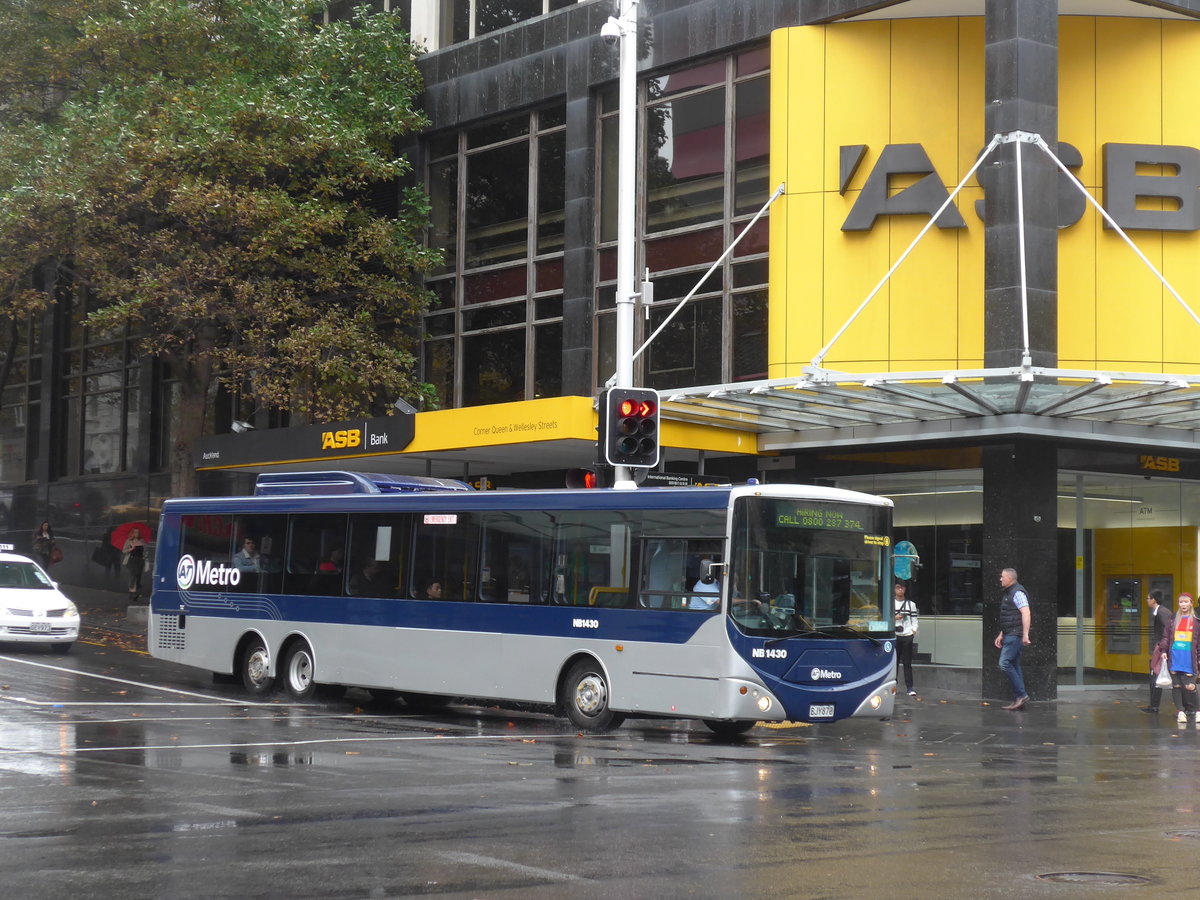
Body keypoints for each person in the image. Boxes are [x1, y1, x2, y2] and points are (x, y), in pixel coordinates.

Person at [994, 567, 1031, 711]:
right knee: (1014, 665)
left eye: (1002, 577)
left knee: (1004, 663)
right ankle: (1019, 698)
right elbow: (1010, 615)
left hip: (1015, 635)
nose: (1000, 579)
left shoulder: (1017, 592)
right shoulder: (1009, 593)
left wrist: (1025, 634)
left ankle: (1021, 695)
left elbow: (1026, 612)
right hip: (1010, 633)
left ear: (1010, 578)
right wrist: (1001, 633)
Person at [1167, 592, 1200, 726]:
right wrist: (1163, 651)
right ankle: (1180, 712)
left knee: (1191, 686)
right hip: (1175, 658)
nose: (1183, 604)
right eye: (1181, 602)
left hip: (1189, 660)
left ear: (1191, 603)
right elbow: (1166, 637)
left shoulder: (1196, 622)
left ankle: (1198, 711)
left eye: (1186, 602)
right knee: (1176, 686)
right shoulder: (1173, 620)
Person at [1142, 590, 1174, 714]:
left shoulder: (1162, 613)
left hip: (1162, 649)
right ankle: (1154, 705)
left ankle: (1154, 706)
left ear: (1154, 599)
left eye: (1148, 598)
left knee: (1155, 674)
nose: (1147, 600)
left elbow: (1169, 632)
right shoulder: (1160, 612)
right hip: (1162, 647)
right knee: (1155, 675)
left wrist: (1163, 649)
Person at [894, 582, 919, 696]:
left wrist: (913, 631)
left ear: (905, 589)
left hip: (907, 635)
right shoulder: (890, 603)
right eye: (898, 587)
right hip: (895, 635)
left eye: (902, 587)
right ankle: (892, 687)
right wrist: (894, 618)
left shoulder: (911, 604)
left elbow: (915, 619)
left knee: (907, 663)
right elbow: (886, 618)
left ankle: (910, 687)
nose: (900, 590)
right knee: (894, 662)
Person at [123, 526, 147, 603]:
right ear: (132, 533)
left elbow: (145, 551)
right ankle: (132, 593)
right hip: (132, 560)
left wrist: (144, 556)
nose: (137, 533)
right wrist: (131, 548)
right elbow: (124, 550)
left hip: (140, 560)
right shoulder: (129, 541)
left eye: (138, 532)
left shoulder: (142, 541)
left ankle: (135, 592)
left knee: (138, 576)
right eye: (135, 532)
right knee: (133, 575)